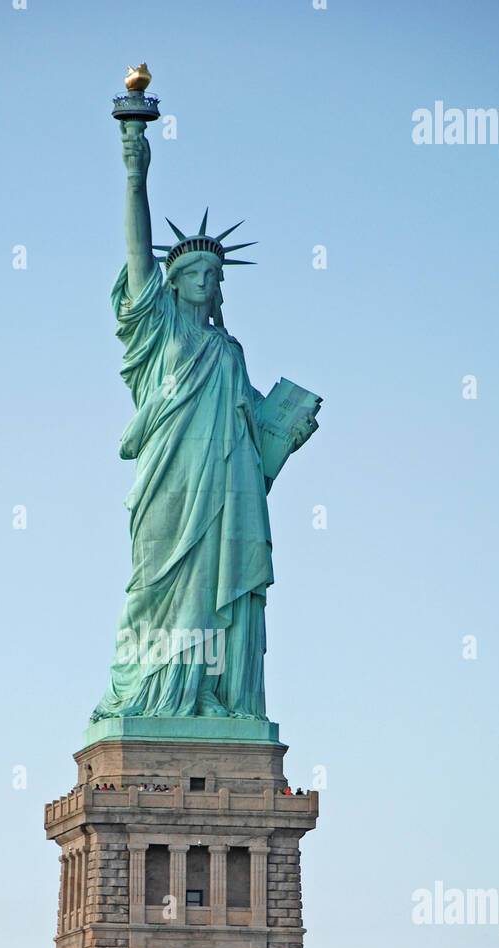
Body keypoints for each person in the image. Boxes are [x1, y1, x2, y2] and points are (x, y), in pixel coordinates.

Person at [89, 117, 319, 724]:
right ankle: (151, 694)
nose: (206, 281)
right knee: (153, 588)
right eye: (194, 272)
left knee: (221, 587)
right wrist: (136, 169)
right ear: (174, 281)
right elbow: (139, 253)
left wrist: (284, 433)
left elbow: (253, 443)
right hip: (169, 480)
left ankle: (210, 697)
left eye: (214, 276)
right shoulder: (158, 330)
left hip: (226, 489)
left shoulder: (230, 352)